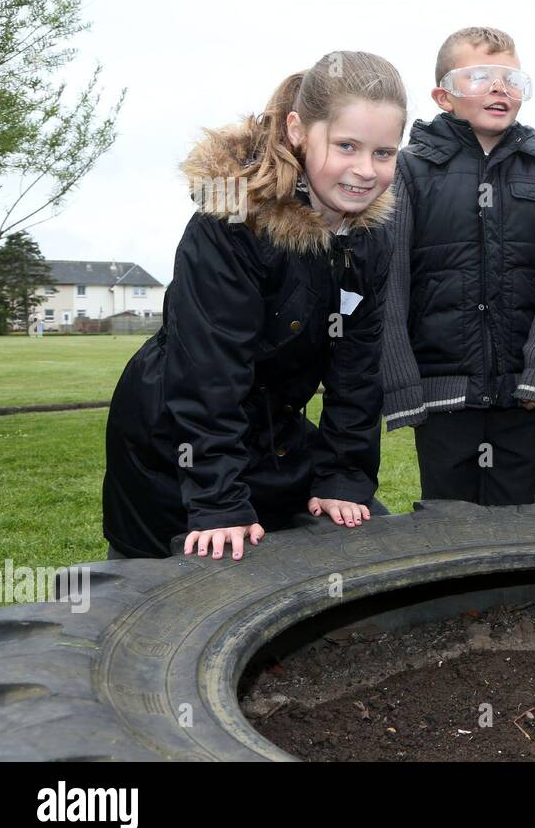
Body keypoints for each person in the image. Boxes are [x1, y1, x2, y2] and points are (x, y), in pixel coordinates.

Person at [102, 52, 405, 560]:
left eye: (383, 153)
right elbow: (209, 374)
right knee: (174, 596)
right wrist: (218, 503)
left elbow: (357, 371)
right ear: (298, 131)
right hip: (175, 439)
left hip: (276, 436)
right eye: (346, 146)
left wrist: (343, 477)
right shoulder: (231, 224)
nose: (364, 170)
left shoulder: (368, 240)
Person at [380, 27, 535, 506]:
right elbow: (390, 280)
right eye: (479, 76)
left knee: (515, 520)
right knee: (449, 524)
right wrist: (402, 381)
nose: (500, 87)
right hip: (444, 395)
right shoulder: (409, 170)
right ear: (443, 96)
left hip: (521, 393)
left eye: (511, 78)